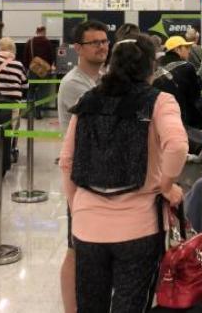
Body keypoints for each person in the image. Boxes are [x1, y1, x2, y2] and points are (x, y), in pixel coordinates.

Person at [59, 34, 188, 313]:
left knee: (90, 305)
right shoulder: (159, 101)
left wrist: (77, 205)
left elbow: (67, 161)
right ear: (151, 67)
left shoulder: (87, 100)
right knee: (130, 304)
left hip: (87, 226)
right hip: (139, 226)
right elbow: (177, 145)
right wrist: (167, 185)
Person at [57, 20, 110, 313]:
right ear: (78, 48)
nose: (102, 47)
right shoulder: (73, 83)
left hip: (101, 172)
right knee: (75, 248)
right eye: (95, 43)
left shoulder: (103, 77)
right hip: (81, 175)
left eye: (105, 41)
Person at [155, 35, 202, 130]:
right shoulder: (187, 67)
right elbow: (195, 96)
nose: (189, 51)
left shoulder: (155, 68)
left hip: (159, 119)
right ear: (177, 49)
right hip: (182, 119)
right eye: (186, 47)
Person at [23, 26, 55, 119]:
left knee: (30, 91)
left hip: (32, 71)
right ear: (44, 31)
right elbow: (51, 58)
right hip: (43, 72)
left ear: (36, 31)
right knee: (40, 91)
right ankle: (38, 114)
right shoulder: (48, 43)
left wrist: (28, 68)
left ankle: (28, 113)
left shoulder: (30, 42)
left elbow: (25, 58)